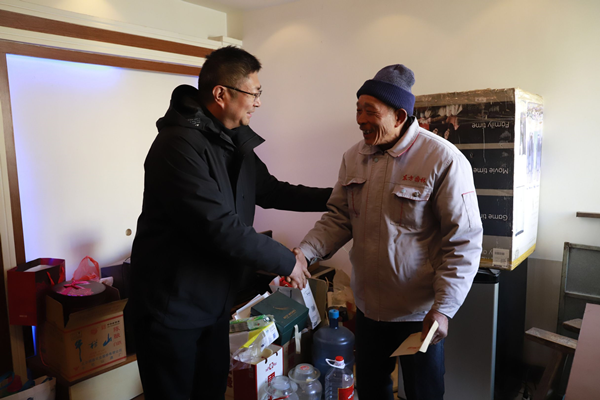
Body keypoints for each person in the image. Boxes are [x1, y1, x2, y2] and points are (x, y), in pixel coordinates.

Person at [129, 46, 332, 400]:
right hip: (172, 308)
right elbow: (219, 227)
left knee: (211, 391)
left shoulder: (231, 141)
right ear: (221, 94)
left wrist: (337, 198)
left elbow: (271, 190)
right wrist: (286, 261)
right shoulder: (177, 146)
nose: (258, 102)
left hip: (214, 303)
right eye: (253, 93)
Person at [294, 64, 483, 400]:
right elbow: (339, 218)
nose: (360, 120)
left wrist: (444, 309)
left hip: (418, 313)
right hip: (368, 309)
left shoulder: (442, 159)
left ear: (399, 116)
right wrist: (304, 252)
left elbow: (463, 242)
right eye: (358, 110)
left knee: (424, 393)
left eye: (370, 111)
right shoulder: (354, 158)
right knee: (371, 390)